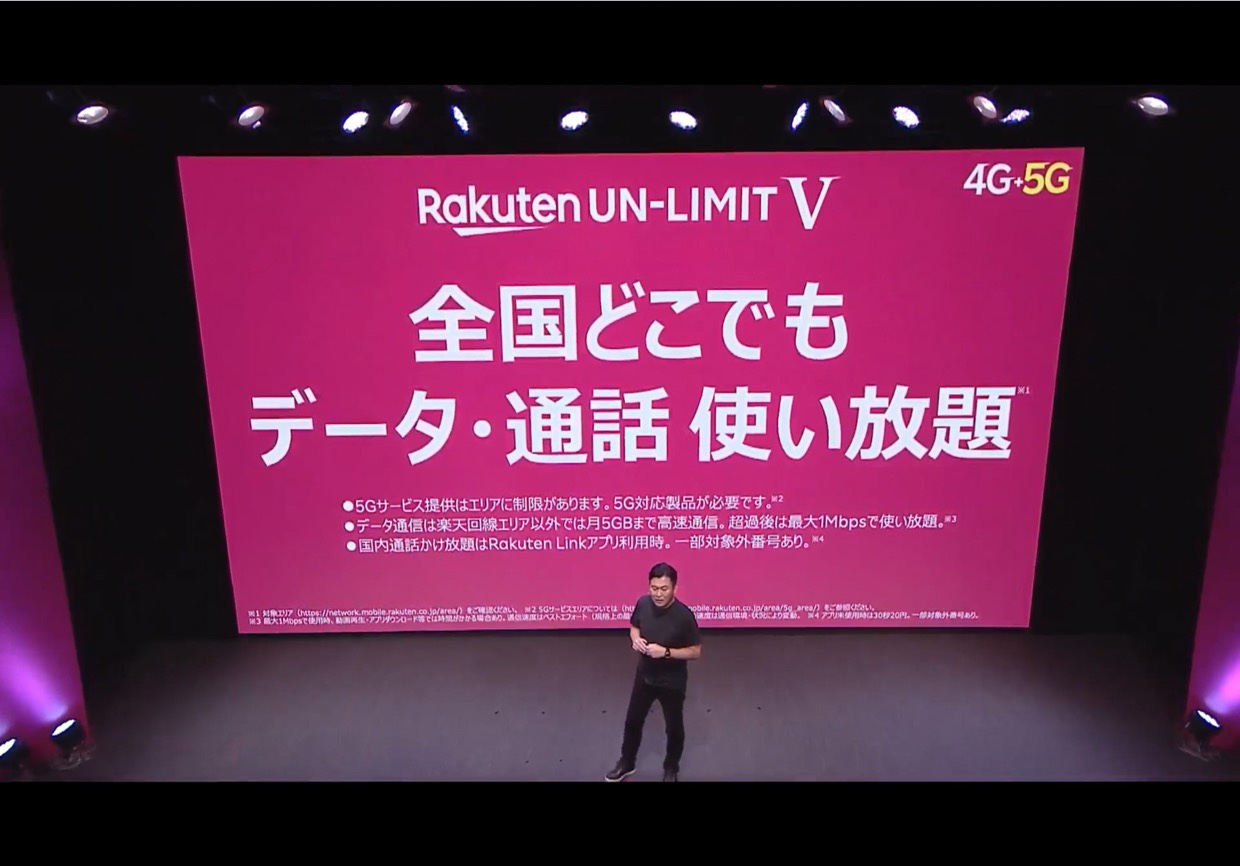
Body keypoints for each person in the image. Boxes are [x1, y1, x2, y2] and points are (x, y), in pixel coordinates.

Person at [605, 562, 702, 782]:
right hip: (645, 675)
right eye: (654, 588)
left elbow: (695, 651)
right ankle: (627, 762)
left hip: (672, 681)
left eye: (664, 589)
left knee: (674, 728)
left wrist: (665, 652)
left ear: (675, 588)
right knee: (633, 721)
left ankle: (671, 768)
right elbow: (634, 626)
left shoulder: (684, 616)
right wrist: (636, 639)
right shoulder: (643, 603)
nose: (658, 594)